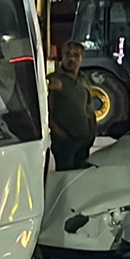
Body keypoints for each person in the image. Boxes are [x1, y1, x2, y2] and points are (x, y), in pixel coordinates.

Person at [47, 41, 96, 171]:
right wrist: (58, 133)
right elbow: (46, 112)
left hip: (83, 142)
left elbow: (89, 109)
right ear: (62, 56)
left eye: (76, 55)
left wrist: (92, 133)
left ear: (81, 59)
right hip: (64, 143)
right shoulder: (53, 81)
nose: (71, 59)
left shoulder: (84, 80)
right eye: (68, 54)